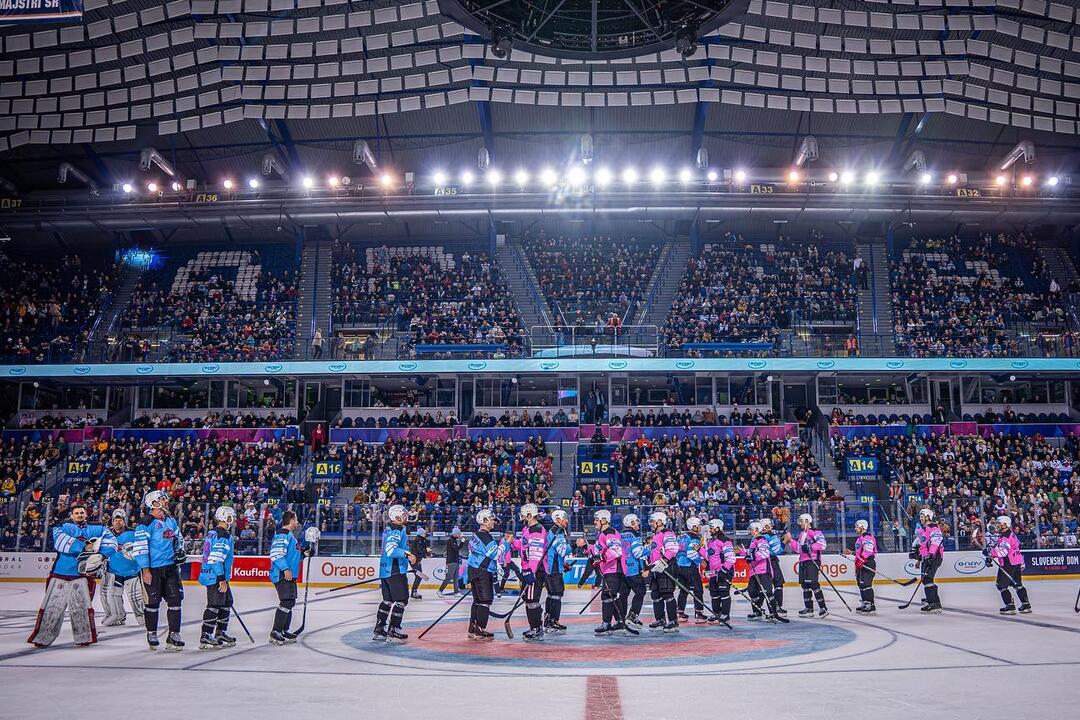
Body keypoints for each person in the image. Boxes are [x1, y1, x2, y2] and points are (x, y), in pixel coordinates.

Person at [27, 501, 110, 648]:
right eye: (76, 513)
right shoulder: (63, 526)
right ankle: (42, 637)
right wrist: (85, 547)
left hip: (82, 576)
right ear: (71, 515)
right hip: (60, 573)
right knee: (52, 608)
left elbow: (110, 541)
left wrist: (102, 554)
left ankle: (84, 637)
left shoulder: (97, 528)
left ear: (86, 514)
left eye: (82, 512)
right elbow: (60, 541)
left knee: (82, 608)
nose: (79, 515)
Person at [134, 489, 186, 650]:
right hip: (153, 570)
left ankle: (174, 634)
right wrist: (145, 569)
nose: (166, 501)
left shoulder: (171, 520)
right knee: (152, 603)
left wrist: (180, 551)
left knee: (175, 600)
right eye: (162, 499)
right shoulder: (145, 523)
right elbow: (141, 548)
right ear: (154, 503)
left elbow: (179, 539)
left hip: (170, 567)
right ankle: (151, 633)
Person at [374, 504, 415, 643]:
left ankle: (379, 629)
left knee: (388, 600)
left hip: (385, 570)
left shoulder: (388, 529)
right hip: (395, 570)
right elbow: (391, 550)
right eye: (403, 514)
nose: (406, 516)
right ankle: (394, 629)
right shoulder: (398, 529)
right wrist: (407, 554)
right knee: (401, 600)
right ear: (396, 516)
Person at [197, 506, 237, 650]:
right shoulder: (223, 535)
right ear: (224, 517)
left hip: (213, 574)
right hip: (216, 576)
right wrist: (221, 578)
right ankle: (206, 635)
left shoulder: (213, 533)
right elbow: (216, 558)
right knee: (214, 605)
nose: (232, 519)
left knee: (227, 602)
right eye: (230, 516)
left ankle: (220, 632)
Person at [99, 509, 144, 627]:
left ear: (124, 521)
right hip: (113, 572)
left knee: (136, 597)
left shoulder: (134, 533)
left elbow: (143, 549)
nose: (117, 522)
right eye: (115, 520)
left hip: (133, 572)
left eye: (120, 520)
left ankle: (142, 617)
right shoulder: (106, 534)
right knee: (112, 596)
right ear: (112, 522)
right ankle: (118, 617)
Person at [268, 510, 303, 644]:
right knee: (286, 602)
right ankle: (276, 631)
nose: (297, 522)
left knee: (290, 602)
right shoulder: (282, 534)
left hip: (289, 575)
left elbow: (293, 555)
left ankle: (282, 630)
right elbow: (276, 553)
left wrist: (305, 553)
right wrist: (285, 568)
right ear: (292, 520)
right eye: (296, 519)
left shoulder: (290, 536)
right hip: (282, 574)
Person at [784, 513, 828, 618]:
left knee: (813, 583)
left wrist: (809, 547)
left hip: (812, 560)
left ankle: (823, 608)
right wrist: (790, 540)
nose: (800, 524)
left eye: (801, 521)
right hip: (803, 561)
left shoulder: (815, 531)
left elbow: (822, 544)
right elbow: (799, 549)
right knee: (805, 585)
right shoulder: (801, 534)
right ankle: (809, 608)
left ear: (807, 521)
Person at [592, 509, 627, 636]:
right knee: (612, 596)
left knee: (607, 596)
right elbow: (599, 550)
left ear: (604, 520)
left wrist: (603, 558)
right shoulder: (602, 534)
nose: (594, 522)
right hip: (608, 570)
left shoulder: (609, 532)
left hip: (613, 570)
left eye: (597, 519)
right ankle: (619, 621)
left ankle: (606, 623)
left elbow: (617, 550)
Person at [517, 503, 549, 641]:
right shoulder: (527, 529)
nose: (523, 517)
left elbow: (536, 553)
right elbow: (524, 546)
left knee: (532, 599)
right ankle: (534, 627)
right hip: (528, 569)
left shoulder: (536, 530)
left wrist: (530, 571)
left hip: (535, 571)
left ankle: (536, 628)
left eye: (524, 515)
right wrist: (513, 543)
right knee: (528, 599)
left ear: (530, 515)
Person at [467, 508, 500, 640]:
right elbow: (496, 554)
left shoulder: (476, 535)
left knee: (477, 600)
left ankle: (473, 627)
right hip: (483, 571)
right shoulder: (486, 536)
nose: (494, 521)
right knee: (485, 600)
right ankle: (480, 629)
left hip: (474, 569)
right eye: (491, 519)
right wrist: (506, 544)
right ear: (485, 521)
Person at [987, 516, 1031, 615]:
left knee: (1001, 585)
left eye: (999, 523)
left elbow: (1003, 552)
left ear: (1005, 525)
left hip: (1009, 563)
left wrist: (990, 552)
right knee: (1017, 584)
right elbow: (1003, 547)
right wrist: (991, 554)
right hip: (1016, 561)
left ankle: (1010, 606)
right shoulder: (1009, 534)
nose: (997, 525)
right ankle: (1026, 605)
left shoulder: (1005, 536)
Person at [646, 511, 680, 632]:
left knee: (667, 593)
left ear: (660, 522)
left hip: (667, 567)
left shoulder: (667, 533)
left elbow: (673, 549)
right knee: (655, 594)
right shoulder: (655, 535)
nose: (651, 524)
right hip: (656, 568)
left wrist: (663, 561)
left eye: (653, 521)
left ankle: (673, 621)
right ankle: (660, 619)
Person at [743, 521, 779, 622]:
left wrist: (752, 557)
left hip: (763, 570)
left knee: (767, 592)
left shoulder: (761, 539)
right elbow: (751, 553)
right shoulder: (754, 540)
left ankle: (773, 613)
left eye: (751, 529)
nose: (749, 531)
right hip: (754, 571)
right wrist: (744, 553)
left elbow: (764, 553)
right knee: (752, 591)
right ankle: (757, 612)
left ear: (756, 529)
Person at [542, 509, 571, 634]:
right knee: (557, 594)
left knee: (551, 595)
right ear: (558, 519)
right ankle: (553, 621)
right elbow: (563, 550)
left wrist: (563, 562)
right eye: (565, 518)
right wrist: (575, 546)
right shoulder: (558, 532)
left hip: (550, 568)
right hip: (553, 570)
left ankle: (548, 620)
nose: (567, 520)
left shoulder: (553, 530)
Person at [618, 513, 649, 627]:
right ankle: (633, 615)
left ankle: (621, 619)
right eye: (636, 521)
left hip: (622, 569)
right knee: (641, 592)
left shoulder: (619, 535)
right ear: (631, 522)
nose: (638, 524)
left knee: (623, 594)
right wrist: (648, 550)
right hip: (633, 569)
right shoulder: (634, 535)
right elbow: (638, 553)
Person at [911, 508, 944, 614]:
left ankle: (933, 604)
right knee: (927, 579)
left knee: (927, 579)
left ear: (928, 517)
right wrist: (920, 559)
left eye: (922, 516)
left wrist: (931, 555)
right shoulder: (924, 530)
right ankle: (935, 602)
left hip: (934, 556)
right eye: (920, 516)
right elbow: (923, 546)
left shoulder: (933, 527)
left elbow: (936, 541)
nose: (920, 518)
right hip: (928, 557)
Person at [675, 516, 707, 622]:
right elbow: (691, 553)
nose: (699, 528)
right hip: (690, 567)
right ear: (693, 526)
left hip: (680, 566)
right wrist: (700, 561)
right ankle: (699, 613)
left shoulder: (681, 537)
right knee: (698, 589)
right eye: (698, 526)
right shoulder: (694, 537)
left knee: (684, 590)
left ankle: (680, 612)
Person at [843, 519, 878, 615]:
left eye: (857, 526)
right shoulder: (859, 538)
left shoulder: (867, 536)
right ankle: (865, 603)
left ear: (862, 527)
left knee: (866, 584)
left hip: (868, 563)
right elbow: (861, 552)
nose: (855, 528)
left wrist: (861, 560)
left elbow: (868, 550)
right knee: (861, 584)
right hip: (861, 563)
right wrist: (852, 553)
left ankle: (871, 606)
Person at [704, 518, 735, 624]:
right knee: (714, 594)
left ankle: (725, 615)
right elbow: (709, 556)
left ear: (718, 528)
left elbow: (731, 558)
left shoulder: (725, 540)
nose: (710, 530)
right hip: (713, 573)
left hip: (724, 572)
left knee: (724, 593)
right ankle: (716, 614)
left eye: (711, 528)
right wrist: (699, 550)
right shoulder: (711, 541)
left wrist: (724, 570)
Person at [761, 517, 787, 616]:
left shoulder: (759, 536)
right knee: (778, 584)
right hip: (772, 562)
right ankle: (777, 608)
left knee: (767, 588)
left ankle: (770, 610)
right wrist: (785, 541)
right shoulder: (771, 535)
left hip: (763, 563)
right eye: (770, 524)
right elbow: (778, 551)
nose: (772, 526)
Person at [496, 530, 524, 594]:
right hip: (504, 561)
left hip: (508, 560)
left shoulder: (508, 542)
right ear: (507, 535)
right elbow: (501, 553)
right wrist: (504, 562)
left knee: (516, 569)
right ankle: (501, 588)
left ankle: (522, 582)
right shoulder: (503, 542)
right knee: (507, 574)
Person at [439, 526, 463, 595]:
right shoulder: (451, 540)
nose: (459, 535)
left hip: (455, 561)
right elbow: (457, 549)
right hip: (452, 561)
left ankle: (456, 592)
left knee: (456, 578)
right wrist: (462, 542)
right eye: (459, 533)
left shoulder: (454, 540)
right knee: (449, 577)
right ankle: (440, 591)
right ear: (455, 534)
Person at [409, 526, 431, 600]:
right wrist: (426, 553)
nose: (425, 534)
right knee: (419, 576)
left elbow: (422, 550)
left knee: (419, 576)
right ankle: (413, 593)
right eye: (424, 533)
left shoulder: (422, 539)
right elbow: (420, 549)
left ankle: (414, 592)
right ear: (421, 534)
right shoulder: (418, 539)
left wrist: (426, 554)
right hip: (414, 560)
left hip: (416, 560)